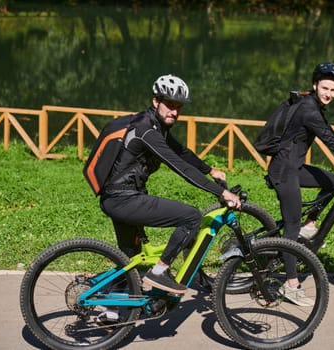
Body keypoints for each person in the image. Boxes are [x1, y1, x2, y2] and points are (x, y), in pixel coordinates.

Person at [99, 74, 241, 301]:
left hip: (119, 197)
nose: (174, 111)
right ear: (156, 101)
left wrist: (209, 170)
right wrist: (222, 192)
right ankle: (159, 271)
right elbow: (180, 167)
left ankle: (110, 313)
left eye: (178, 107)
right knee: (191, 217)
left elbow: (180, 152)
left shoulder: (154, 124)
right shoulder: (147, 132)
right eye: (170, 105)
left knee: (130, 262)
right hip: (124, 200)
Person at [267, 62, 334, 306]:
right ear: (315, 85)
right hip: (284, 172)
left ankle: (310, 223)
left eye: (333, 90)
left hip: (294, 168)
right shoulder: (309, 110)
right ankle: (291, 284)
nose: (329, 94)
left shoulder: (312, 104)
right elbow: (332, 142)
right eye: (325, 88)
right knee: (291, 228)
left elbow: (330, 136)